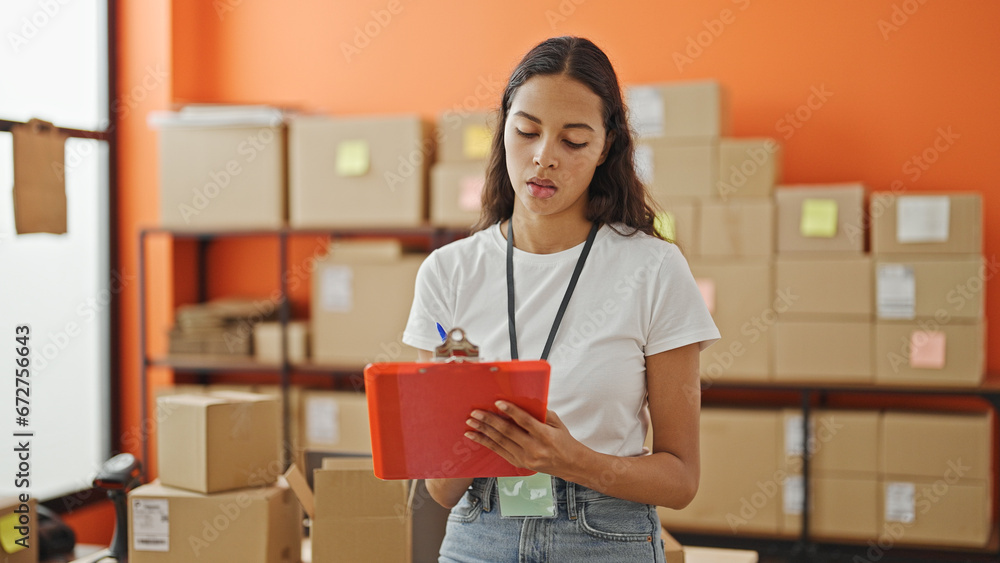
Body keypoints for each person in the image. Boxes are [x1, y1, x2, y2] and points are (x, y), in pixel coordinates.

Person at [402, 36, 720, 563]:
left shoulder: (654, 269)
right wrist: (475, 431)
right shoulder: (447, 272)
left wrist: (574, 461)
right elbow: (439, 489)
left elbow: (681, 478)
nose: (543, 157)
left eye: (573, 141)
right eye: (526, 131)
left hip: (605, 535)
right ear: (503, 128)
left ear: (606, 148)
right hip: (480, 534)